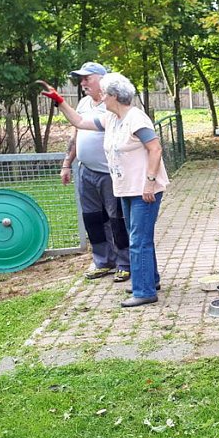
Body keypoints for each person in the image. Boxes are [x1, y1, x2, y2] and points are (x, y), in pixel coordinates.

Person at [38, 73, 169, 308]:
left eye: (106, 94)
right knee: (138, 237)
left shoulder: (135, 119)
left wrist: (150, 182)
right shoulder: (112, 119)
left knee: (138, 239)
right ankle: (150, 280)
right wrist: (59, 100)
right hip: (127, 188)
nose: (102, 97)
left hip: (144, 189)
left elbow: (155, 148)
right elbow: (78, 122)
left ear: (115, 96)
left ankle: (144, 291)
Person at [62, 62, 131, 283]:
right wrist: (67, 163)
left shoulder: (114, 104)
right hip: (86, 171)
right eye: (80, 79)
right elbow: (76, 133)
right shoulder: (83, 103)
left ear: (103, 79)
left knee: (116, 218)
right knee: (92, 218)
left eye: (87, 78)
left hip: (110, 174)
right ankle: (103, 261)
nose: (82, 83)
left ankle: (124, 262)